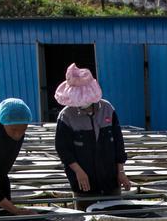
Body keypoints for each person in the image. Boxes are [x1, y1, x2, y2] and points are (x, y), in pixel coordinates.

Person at [53, 64, 131, 209]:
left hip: (109, 179)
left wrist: (120, 172)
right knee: (86, 220)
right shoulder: (66, 116)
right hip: (84, 182)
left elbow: (118, 144)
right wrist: (78, 171)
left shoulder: (107, 109)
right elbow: (63, 149)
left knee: (116, 215)